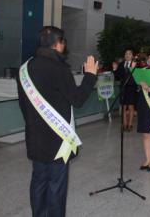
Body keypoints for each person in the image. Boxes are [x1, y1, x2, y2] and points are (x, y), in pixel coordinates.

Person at [17, 26, 98, 217]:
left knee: (38, 182)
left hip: (35, 137)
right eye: (63, 42)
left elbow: (23, 106)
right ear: (57, 43)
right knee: (56, 186)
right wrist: (90, 76)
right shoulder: (59, 68)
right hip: (58, 140)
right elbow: (77, 99)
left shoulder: (25, 69)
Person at [113, 49, 139, 131]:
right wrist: (114, 70)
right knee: (124, 106)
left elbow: (137, 77)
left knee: (131, 106)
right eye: (126, 54)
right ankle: (124, 124)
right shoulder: (121, 64)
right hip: (123, 87)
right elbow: (117, 77)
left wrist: (132, 68)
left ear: (132, 56)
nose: (127, 55)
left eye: (129, 54)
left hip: (131, 87)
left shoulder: (135, 64)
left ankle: (130, 125)